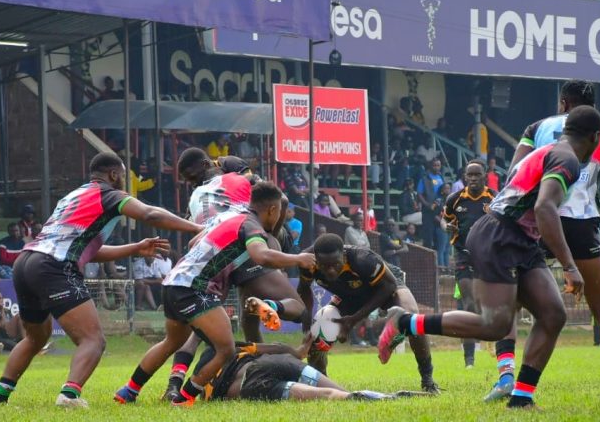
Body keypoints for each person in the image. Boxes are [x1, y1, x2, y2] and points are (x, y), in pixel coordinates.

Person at [378, 105, 600, 409]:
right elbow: (544, 208)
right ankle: (406, 322)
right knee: (494, 325)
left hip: (519, 239)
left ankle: (522, 398)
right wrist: (569, 266)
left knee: (553, 314)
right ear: (595, 136)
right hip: (500, 235)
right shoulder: (567, 160)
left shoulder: (551, 151)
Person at [480, 80, 600, 401]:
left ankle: (505, 378)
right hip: (582, 225)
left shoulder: (537, 127)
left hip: (538, 223)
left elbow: (515, 171)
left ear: (563, 103)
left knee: (511, 305)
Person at [0, 152, 199, 408]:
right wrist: (198, 229)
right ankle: (69, 396)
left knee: (35, 338)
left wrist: (134, 247)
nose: (123, 181)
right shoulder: (108, 194)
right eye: (122, 175)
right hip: (52, 265)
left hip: (26, 262)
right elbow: (150, 215)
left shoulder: (74, 196)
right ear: (113, 175)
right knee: (93, 340)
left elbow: (87, 250)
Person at [115, 182, 316, 407]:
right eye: (279, 212)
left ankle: (128, 392)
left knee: (171, 342)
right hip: (195, 287)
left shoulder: (230, 216)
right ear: (272, 210)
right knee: (226, 349)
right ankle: (184, 399)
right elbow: (261, 256)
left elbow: (194, 241)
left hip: (174, 281)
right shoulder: (251, 225)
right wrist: (298, 259)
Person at [162, 149, 308, 401]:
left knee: (202, 330)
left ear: (207, 165)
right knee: (297, 308)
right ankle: (270, 321)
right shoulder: (235, 178)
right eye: (188, 179)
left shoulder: (198, 195)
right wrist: (272, 232)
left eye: (192, 176)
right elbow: (277, 198)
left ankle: (174, 385)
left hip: (215, 255)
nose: (192, 182)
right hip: (248, 244)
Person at [298, 234, 438, 393]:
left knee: (412, 318)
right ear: (316, 260)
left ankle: (427, 378)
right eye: (324, 266)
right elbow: (303, 289)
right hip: (349, 295)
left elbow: (389, 286)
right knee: (320, 326)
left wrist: (355, 319)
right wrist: (307, 324)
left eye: (335, 264)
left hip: (384, 286)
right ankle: (319, 383)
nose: (330, 271)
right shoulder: (307, 261)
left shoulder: (363, 259)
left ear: (343, 255)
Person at [198, 336, 423, 401]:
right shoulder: (230, 346)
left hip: (254, 384)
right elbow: (276, 348)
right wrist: (298, 352)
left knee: (334, 397)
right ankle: (388, 396)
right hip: (277, 362)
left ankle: (386, 398)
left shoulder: (202, 382)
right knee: (342, 391)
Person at [441, 160, 496, 368]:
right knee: (469, 305)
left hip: (487, 256)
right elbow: (444, 220)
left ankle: (493, 341)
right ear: (465, 177)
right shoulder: (454, 199)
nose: (473, 179)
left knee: (488, 305)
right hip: (463, 255)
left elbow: (504, 222)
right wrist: (447, 227)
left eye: (477, 175)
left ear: (484, 176)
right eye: (469, 175)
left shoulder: (494, 198)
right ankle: (469, 360)